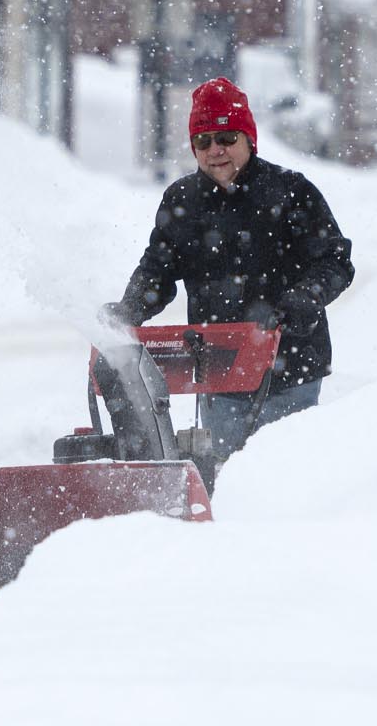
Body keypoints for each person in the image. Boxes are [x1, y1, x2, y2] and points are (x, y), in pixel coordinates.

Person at [107, 77, 353, 488]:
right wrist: (130, 307)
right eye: (203, 142)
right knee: (226, 481)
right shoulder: (182, 201)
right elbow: (158, 271)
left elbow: (335, 260)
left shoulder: (291, 192)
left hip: (290, 366)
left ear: (248, 138)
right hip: (220, 371)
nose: (215, 150)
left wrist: (305, 297)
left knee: (283, 480)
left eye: (225, 137)